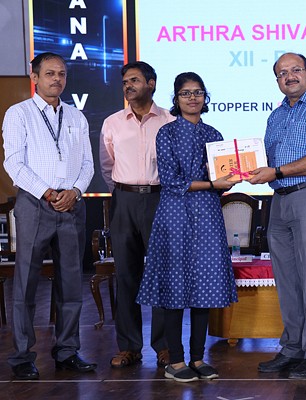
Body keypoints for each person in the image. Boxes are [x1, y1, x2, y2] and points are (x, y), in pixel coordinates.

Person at [136, 72, 239, 382]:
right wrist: (212, 183)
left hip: (207, 214)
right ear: (176, 98)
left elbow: (221, 178)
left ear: (205, 97)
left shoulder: (214, 134)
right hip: (175, 216)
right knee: (174, 287)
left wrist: (229, 179)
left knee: (205, 288)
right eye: (185, 93)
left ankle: (197, 358)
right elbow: (171, 181)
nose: (193, 98)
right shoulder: (166, 133)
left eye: (198, 92)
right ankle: (176, 361)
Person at [2, 52, 96, 379]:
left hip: (71, 205)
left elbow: (88, 164)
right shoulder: (19, 114)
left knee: (71, 283)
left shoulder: (76, 116)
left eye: (62, 74)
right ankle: (22, 356)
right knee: (26, 283)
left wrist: (75, 191)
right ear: (34, 77)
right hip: (35, 204)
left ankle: (67, 351)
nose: (57, 79)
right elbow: (13, 163)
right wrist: (47, 192)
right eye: (50, 73)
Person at [248, 52, 306, 379]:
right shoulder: (276, 115)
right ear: (277, 80)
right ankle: (292, 348)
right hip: (280, 199)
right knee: (287, 278)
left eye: (295, 70)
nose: (289, 76)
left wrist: (276, 171)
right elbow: (265, 161)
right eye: (282, 73)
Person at [99, 61, 174, 368]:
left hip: (160, 199)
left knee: (162, 275)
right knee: (126, 275)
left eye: (134, 80)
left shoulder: (170, 120)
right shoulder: (112, 122)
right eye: (125, 82)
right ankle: (129, 346)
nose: (128, 86)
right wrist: (124, 191)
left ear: (151, 83)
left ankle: (165, 346)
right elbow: (107, 166)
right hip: (124, 200)